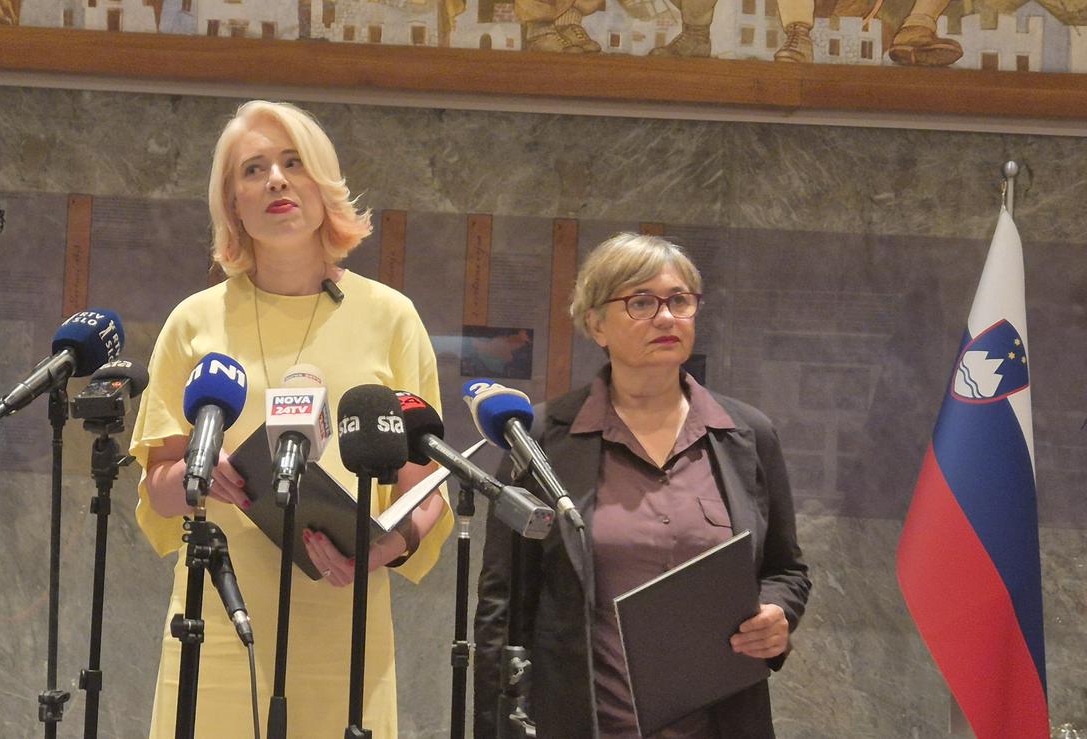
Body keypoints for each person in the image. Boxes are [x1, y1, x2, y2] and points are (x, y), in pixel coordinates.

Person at [129, 100, 454, 737]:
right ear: (233, 202)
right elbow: (156, 490)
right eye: (253, 170)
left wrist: (389, 546)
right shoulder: (193, 322)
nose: (276, 180)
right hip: (220, 619)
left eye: (293, 163)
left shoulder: (391, 318)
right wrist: (200, 475)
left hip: (344, 620)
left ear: (324, 183)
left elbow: (426, 486)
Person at [474, 233, 810, 738]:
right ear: (596, 324)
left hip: (720, 723)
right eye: (642, 303)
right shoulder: (540, 439)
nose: (667, 317)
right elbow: (502, 606)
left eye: (680, 301)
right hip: (585, 723)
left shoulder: (747, 434)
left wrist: (777, 613)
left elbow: (786, 569)